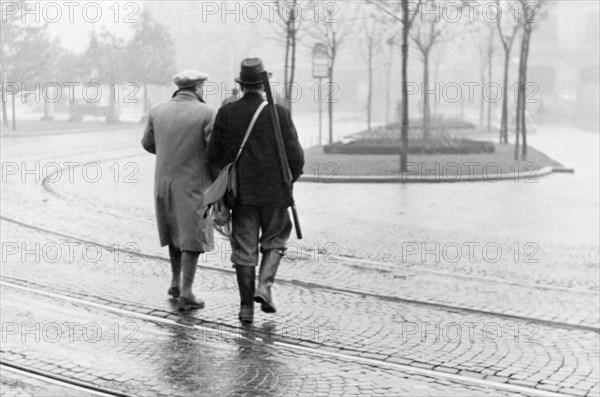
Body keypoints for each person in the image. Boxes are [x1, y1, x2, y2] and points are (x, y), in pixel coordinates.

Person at [207, 58, 304, 323]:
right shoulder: (280, 114)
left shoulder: (227, 113)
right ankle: (265, 286)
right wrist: (288, 181)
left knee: (244, 251)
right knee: (275, 241)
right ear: (263, 85)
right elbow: (296, 157)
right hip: (275, 194)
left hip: (242, 195)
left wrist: (224, 192)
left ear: (242, 84)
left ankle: (246, 309)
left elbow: (213, 157)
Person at [142, 70, 215, 311]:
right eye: (203, 86)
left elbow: (148, 144)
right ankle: (187, 292)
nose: (204, 90)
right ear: (196, 88)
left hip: (163, 184)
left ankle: (174, 282)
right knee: (192, 238)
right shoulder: (206, 113)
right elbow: (213, 151)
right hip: (193, 185)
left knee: (173, 232)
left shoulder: (157, 111)